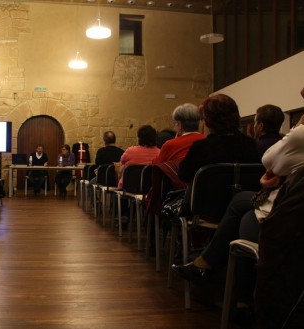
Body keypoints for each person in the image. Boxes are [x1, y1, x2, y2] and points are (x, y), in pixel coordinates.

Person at [173, 92, 304, 326]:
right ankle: (235, 293)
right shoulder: (250, 145)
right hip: (245, 207)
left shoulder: (201, 148)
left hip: (206, 212)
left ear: (208, 121)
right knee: (243, 210)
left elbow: (183, 175)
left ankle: (204, 263)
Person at [146, 103, 205, 219]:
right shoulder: (206, 141)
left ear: (180, 125)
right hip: (203, 196)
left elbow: (157, 166)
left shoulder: (171, 144)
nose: (174, 127)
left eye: (175, 124)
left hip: (177, 196)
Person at [117, 125, 160, 189]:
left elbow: (122, 160)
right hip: (150, 188)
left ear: (139, 138)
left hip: (129, 186)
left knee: (123, 166)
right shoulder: (159, 153)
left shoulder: (130, 151)